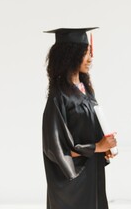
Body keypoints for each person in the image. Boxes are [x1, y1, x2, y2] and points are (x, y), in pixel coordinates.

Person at [42, 27, 117, 209]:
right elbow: (55, 148)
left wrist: (103, 147)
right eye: (85, 53)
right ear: (70, 55)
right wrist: (97, 147)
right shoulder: (58, 97)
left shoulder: (85, 90)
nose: (90, 58)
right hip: (73, 182)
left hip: (91, 173)